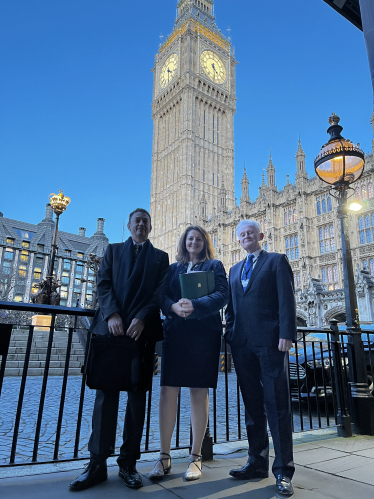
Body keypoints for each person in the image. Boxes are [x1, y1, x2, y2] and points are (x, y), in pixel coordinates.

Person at [69, 208, 169, 491]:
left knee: (137, 402)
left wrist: (141, 317)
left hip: (141, 335)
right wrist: (112, 314)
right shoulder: (112, 251)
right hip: (111, 332)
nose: (141, 224)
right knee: (106, 399)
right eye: (136, 221)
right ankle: (97, 463)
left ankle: (128, 464)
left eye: (145, 221)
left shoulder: (160, 258)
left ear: (150, 227)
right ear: (128, 226)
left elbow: (159, 294)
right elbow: (103, 284)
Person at [149, 225, 228, 482]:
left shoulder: (214, 266)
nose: (193, 242)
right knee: (167, 391)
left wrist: (195, 305)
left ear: (205, 243)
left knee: (198, 391)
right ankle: (164, 456)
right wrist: (173, 306)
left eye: (198, 239)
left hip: (204, 333)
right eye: (189, 239)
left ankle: (196, 457)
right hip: (176, 333)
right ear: (184, 243)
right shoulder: (174, 269)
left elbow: (221, 296)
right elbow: (161, 296)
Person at [225, 220, 296, 497]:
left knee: (277, 405)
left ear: (260, 236)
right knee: (252, 406)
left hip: (270, 342)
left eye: (250, 233)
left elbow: (286, 299)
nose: (246, 237)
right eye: (241, 234)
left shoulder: (277, 261)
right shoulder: (233, 270)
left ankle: (283, 471)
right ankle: (256, 463)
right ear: (238, 239)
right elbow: (231, 307)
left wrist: (286, 333)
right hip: (242, 345)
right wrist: (230, 333)